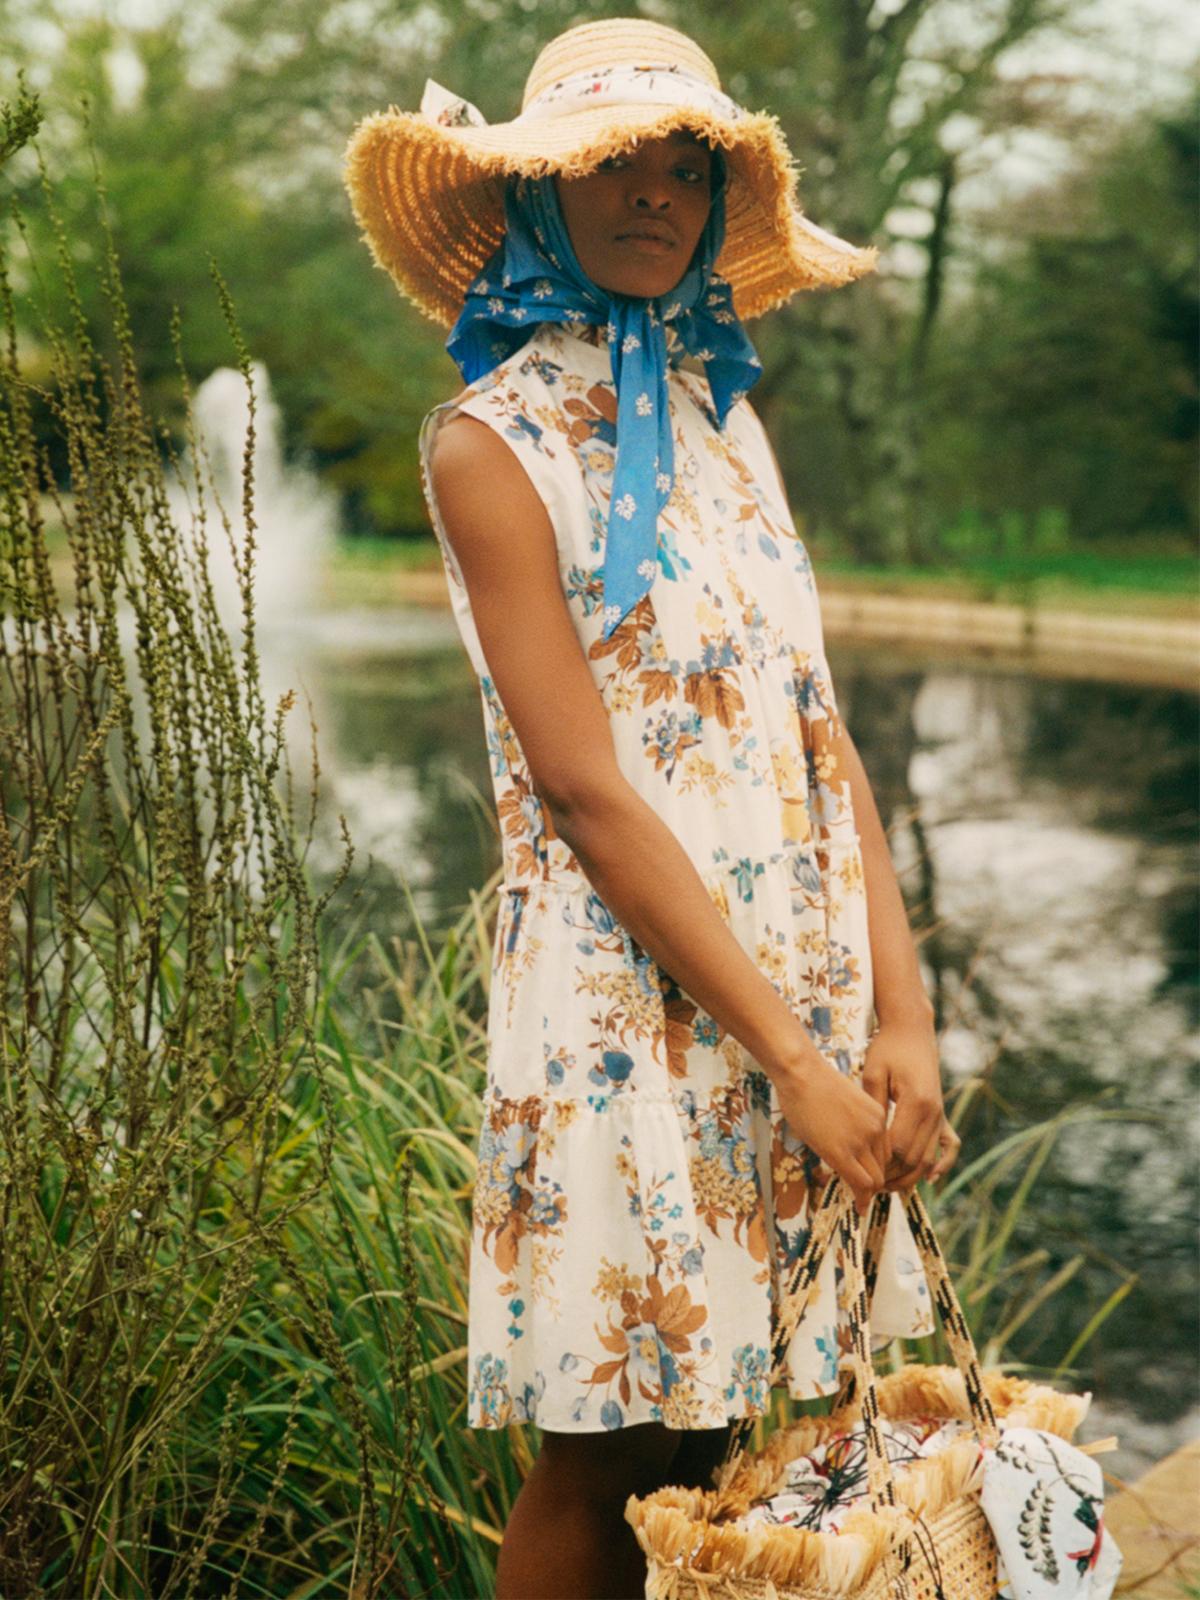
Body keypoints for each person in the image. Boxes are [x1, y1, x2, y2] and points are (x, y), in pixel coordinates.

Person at [344, 19, 961, 1598]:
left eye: (685, 168)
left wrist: (902, 1013)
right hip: (634, 1001)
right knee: (610, 1436)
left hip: (804, 978)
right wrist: (797, 1063)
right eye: (611, 162)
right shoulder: (493, 443)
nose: (652, 195)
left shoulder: (724, 423)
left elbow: (822, 735)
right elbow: (584, 792)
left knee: (735, 1417)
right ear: (536, 194)